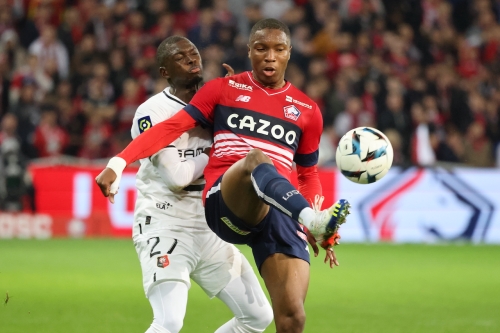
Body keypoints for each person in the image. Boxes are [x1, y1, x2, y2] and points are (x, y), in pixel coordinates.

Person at [96, 19, 350, 333]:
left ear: (289, 53)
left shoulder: (307, 109)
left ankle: (310, 219)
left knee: (285, 318)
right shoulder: (220, 91)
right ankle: (311, 218)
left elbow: (308, 173)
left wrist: (310, 213)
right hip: (211, 207)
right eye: (261, 48)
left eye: (278, 49)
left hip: (271, 214)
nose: (269, 56)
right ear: (249, 51)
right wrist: (119, 162)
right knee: (255, 159)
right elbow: (172, 133)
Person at [127, 36, 273, 333]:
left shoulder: (217, 104)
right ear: (165, 71)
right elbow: (177, 177)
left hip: (209, 224)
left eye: (195, 54)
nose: (193, 60)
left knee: (258, 317)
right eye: (182, 57)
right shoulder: (152, 112)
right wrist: (220, 150)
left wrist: (233, 111)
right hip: (165, 222)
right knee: (168, 321)